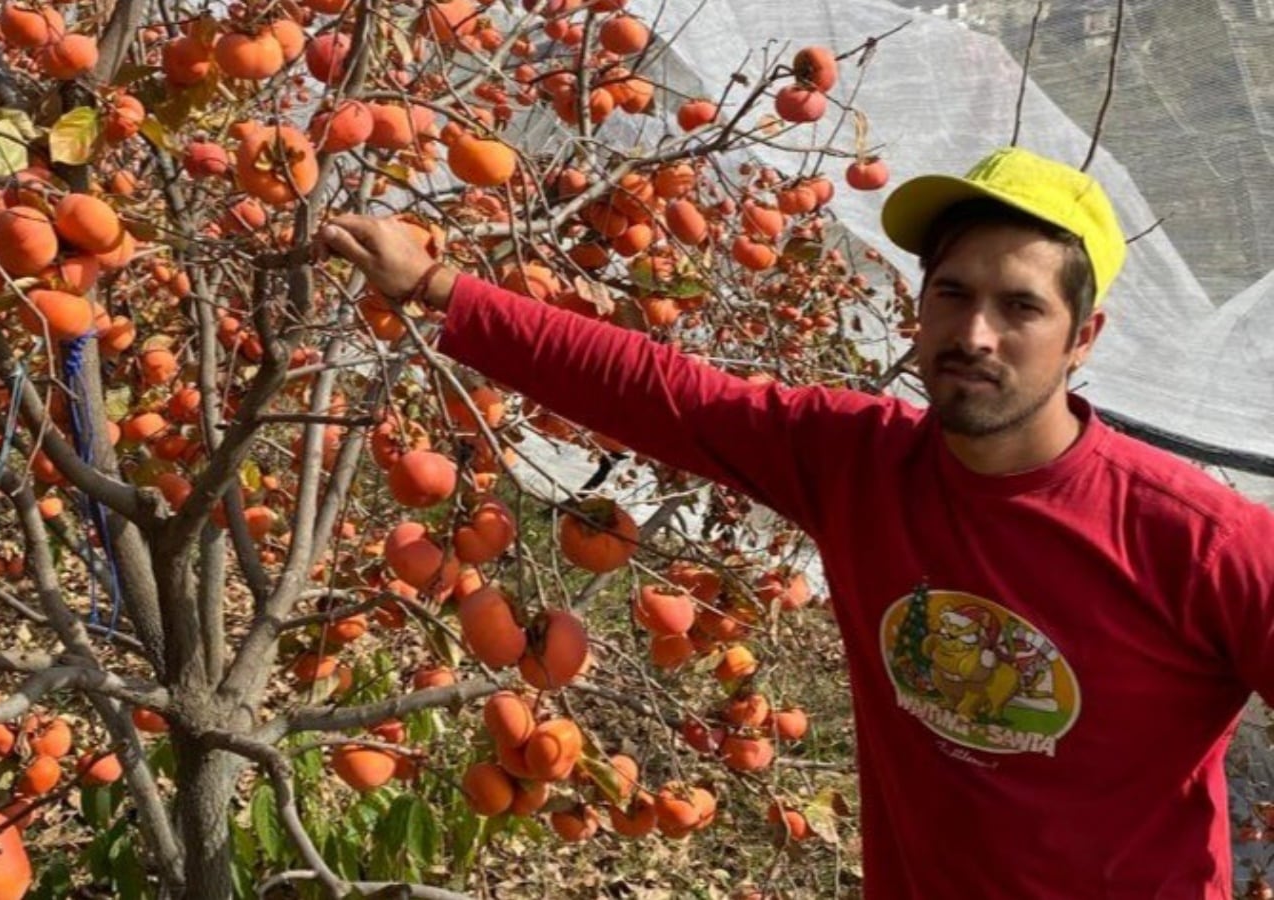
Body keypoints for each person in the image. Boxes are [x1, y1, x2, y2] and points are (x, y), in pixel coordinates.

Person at [319, 145, 1274, 898]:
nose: (976, 334)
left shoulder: (1201, 543)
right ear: (919, 311)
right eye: (953, 294)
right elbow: (663, 394)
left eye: (1020, 306)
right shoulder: (859, 463)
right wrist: (438, 289)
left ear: (1083, 337)